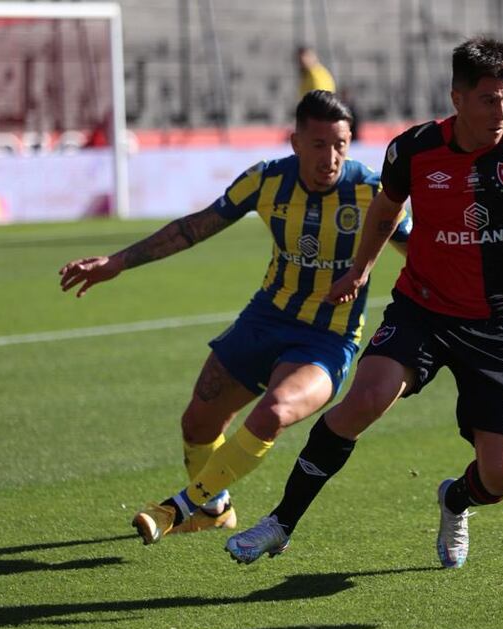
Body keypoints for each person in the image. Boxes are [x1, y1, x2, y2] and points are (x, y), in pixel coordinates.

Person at [224, 37, 503, 569]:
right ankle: (281, 522)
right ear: (458, 98)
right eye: (488, 99)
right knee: (365, 400)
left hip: (495, 323)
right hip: (422, 309)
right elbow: (385, 209)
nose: (501, 111)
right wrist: (360, 270)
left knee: (501, 476)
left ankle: (455, 500)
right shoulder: (414, 149)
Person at [58, 90, 410, 545]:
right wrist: (118, 262)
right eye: (320, 144)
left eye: (341, 144)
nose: (332, 156)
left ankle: (179, 506)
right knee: (198, 423)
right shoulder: (266, 181)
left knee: (275, 411)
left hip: (328, 336)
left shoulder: (371, 192)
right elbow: (195, 227)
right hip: (265, 319)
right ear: (295, 142)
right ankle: (213, 507)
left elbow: (416, 252)